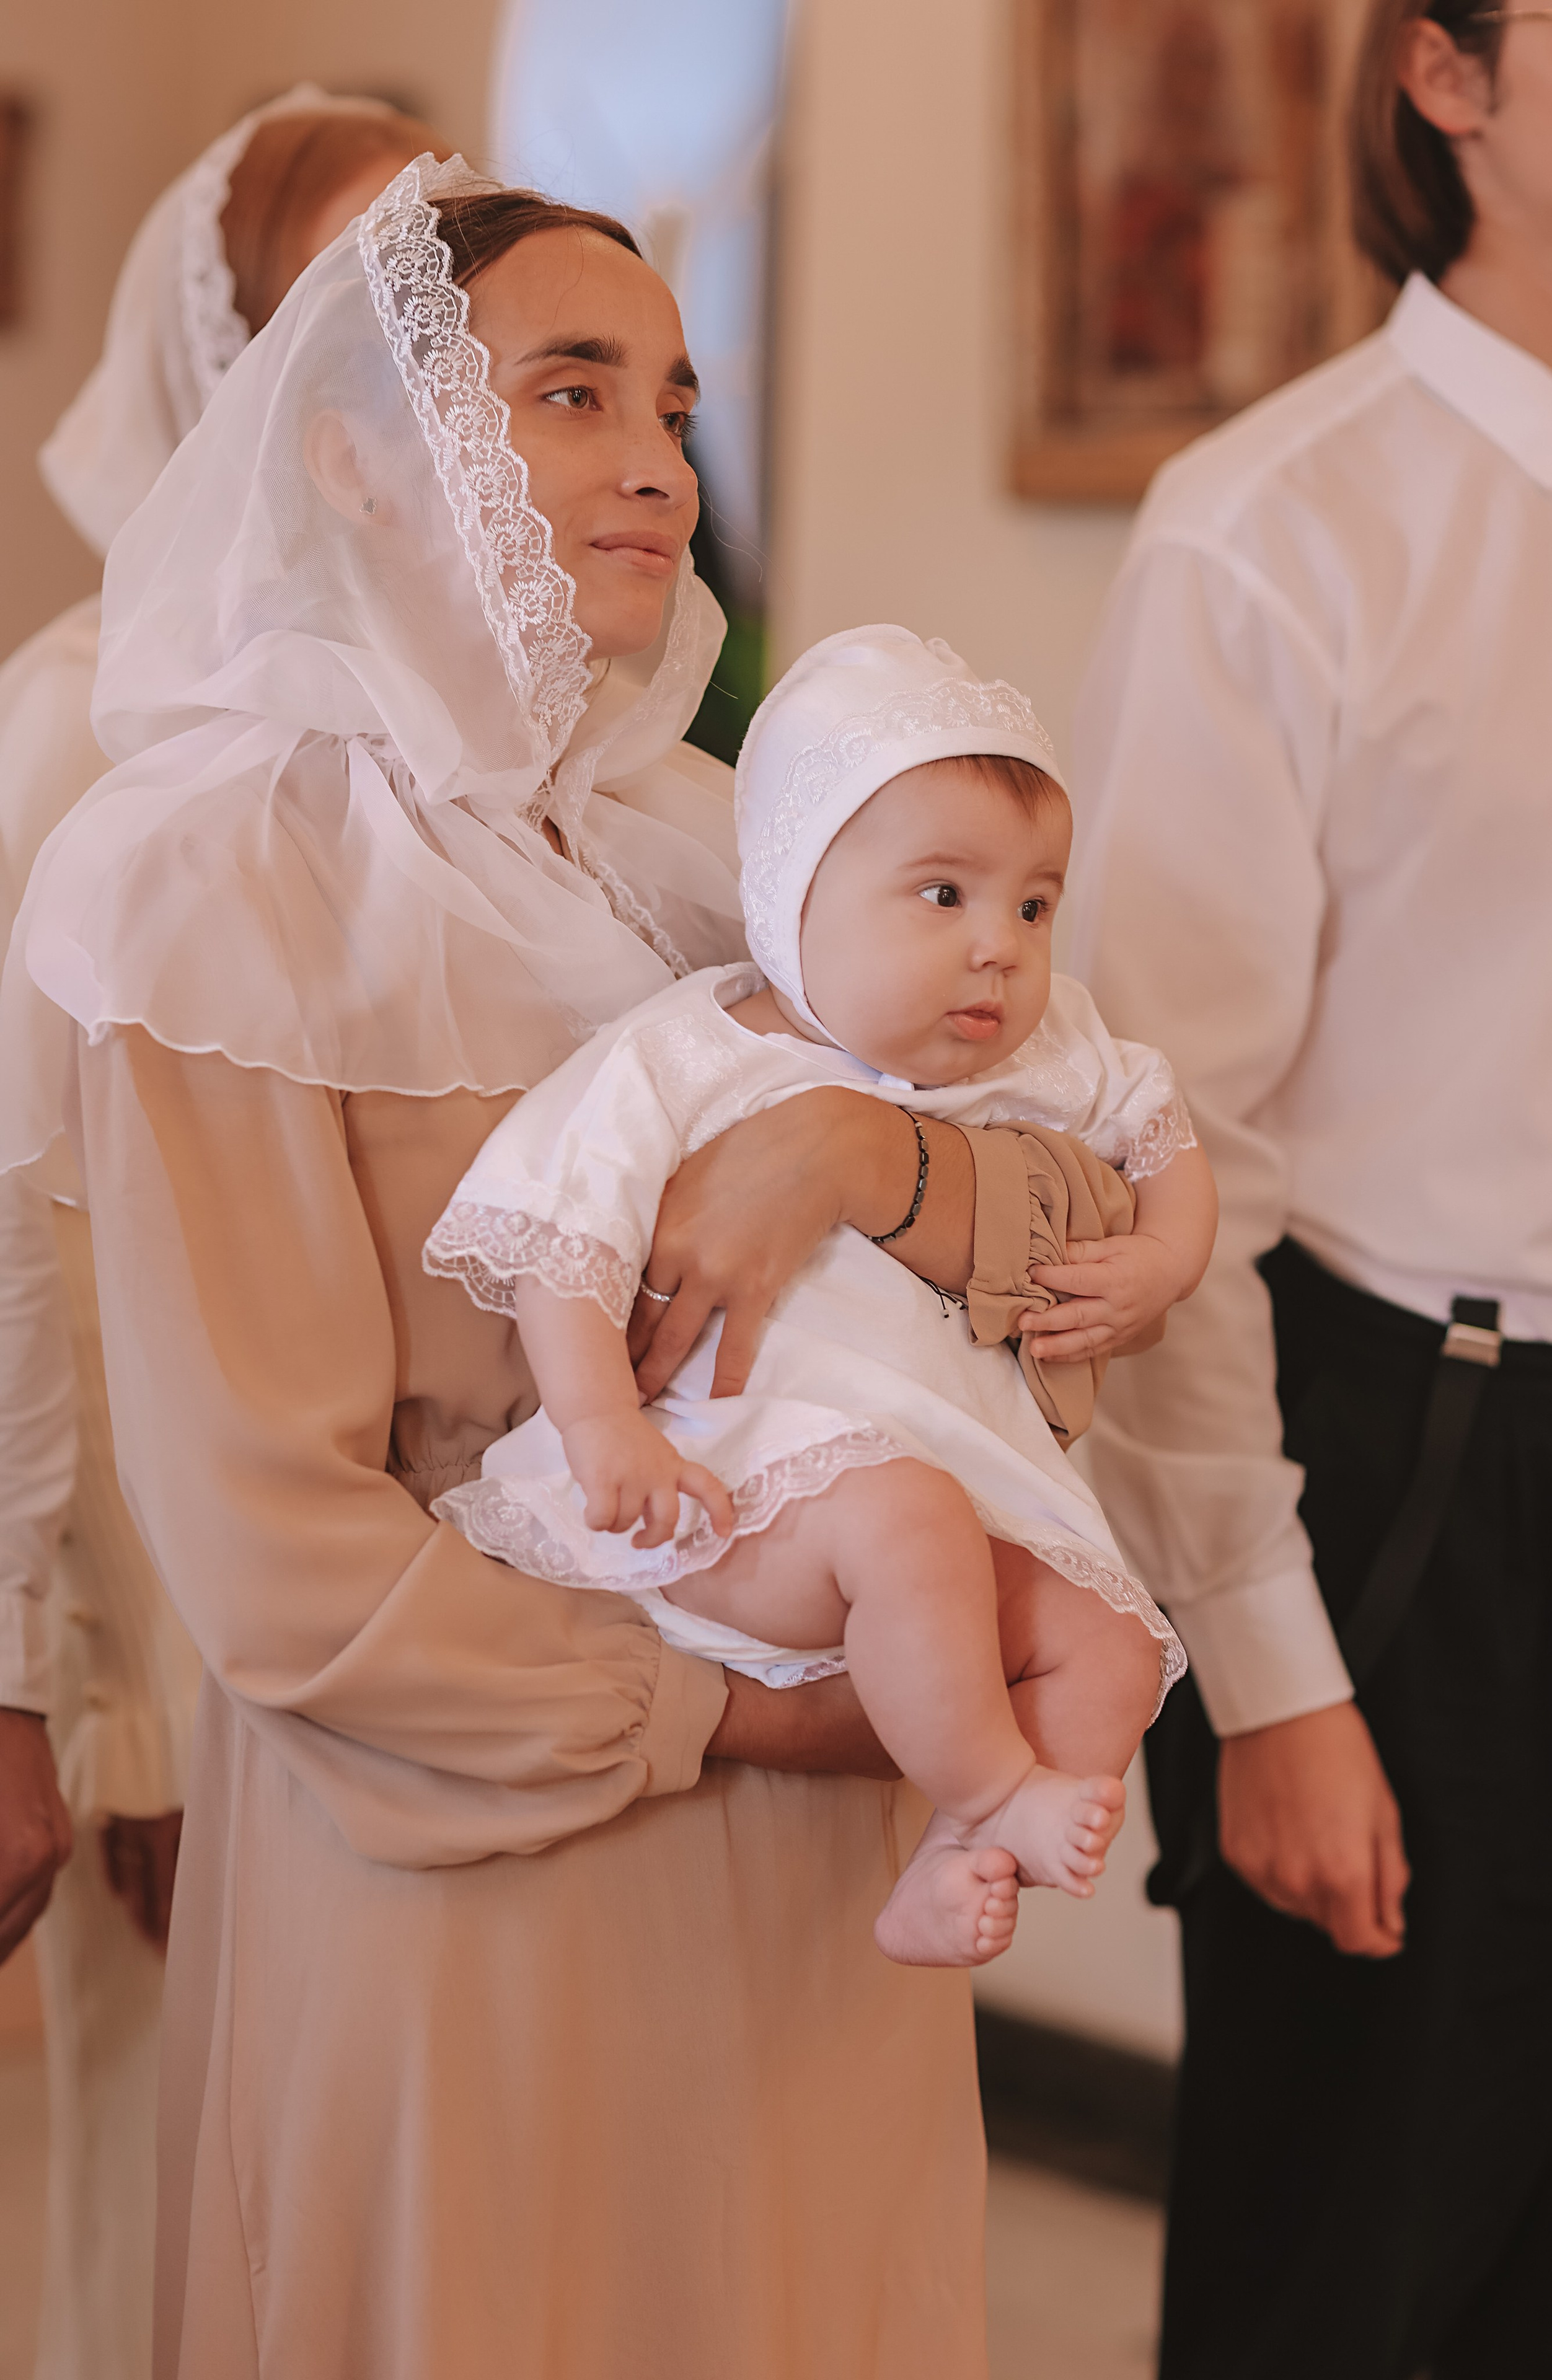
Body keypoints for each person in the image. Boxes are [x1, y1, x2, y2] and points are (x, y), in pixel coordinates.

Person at [0, 155, 1119, 2378]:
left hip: (830, 1892)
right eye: (571, 391)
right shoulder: (212, 881)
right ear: (358, 443)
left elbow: (1084, 1227)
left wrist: (855, 1161)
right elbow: (275, 1546)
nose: (648, 462)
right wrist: (740, 1710)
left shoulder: (747, 858)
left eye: (676, 406)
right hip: (483, 1847)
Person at [1068, 4, 1552, 2374]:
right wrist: (1269, 1676)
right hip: (1424, 1455)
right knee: (1363, 2277)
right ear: (1447, 85)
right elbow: (1170, 1150)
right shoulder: (1276, 526)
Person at [427, 625, 1209, 1968]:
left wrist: (1160, 1261)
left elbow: (1163, 1140)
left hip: (948, 1501)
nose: (998, 952)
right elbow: (564, 1240)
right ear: (796, 895)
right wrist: (603, 1424)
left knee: (1117, 1646)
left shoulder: (1047, 1045)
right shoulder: (690, 1054)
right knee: (903, 1521)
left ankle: (954, 1864)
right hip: (726, 1491)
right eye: (941, 895)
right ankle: (988, 1793)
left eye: (1033, 905)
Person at [0, 89, 443, 2380]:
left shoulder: (466, 743)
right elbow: (8, 1230)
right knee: (163, 2178)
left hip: (414, 1549)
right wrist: (68, 1693)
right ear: (231, 346)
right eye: (347, 283)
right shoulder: (82, 727)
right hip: (159, 1581)